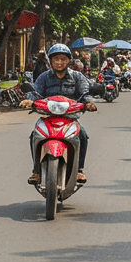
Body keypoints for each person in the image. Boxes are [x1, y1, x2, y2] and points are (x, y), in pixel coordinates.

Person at [27, 44, 95, 184]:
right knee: (34, 135)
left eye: (62, 59)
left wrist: (89, 103)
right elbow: (35, 92)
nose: (59, 63)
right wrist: (29, 100)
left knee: (82, 134)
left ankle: (79, 170)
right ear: (50, 62)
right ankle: (36, 171)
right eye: (56, 60)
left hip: (70, 118)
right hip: (48, 117)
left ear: (68, 61)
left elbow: (85, 93)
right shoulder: (44, 77)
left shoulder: (77, 76)